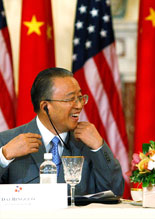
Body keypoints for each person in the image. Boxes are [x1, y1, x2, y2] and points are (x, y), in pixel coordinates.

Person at [0, 67, 124, 196]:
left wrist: (99, 147)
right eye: (70, 99)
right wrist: (3, 157)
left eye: (80, 97)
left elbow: (115, 191)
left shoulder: (88, 143)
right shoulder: (7, 142)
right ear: (45, 107)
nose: (79, 105)